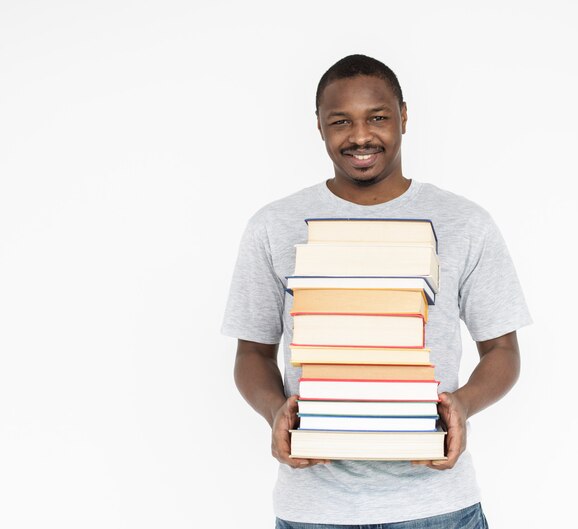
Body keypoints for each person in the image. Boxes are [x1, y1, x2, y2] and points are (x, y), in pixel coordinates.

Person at [221, 54, 532, 528]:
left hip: (437, 506)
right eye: (341, 121)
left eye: (378, 117)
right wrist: (273, 410)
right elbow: (253, 354)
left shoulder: (466, 223)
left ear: (404, 117)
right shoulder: (274, 226)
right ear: (319, 126)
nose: (361, 136)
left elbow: (503, 350)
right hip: (313, 510)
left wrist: (463, 405)